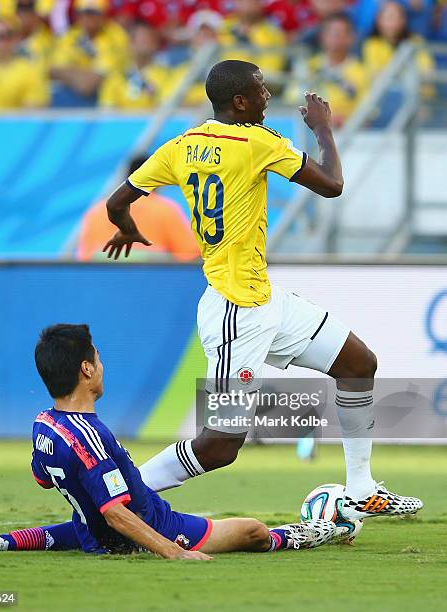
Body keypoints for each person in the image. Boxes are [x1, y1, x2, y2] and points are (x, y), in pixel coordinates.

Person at [102, 59, 423, 522]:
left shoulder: (181, 144)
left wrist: (126, 227)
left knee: (358, 364)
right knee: (219, 444)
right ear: (239, 102)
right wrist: (324, 130)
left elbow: (117, 203)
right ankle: (121, 499)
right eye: (261, 92)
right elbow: (332, 185)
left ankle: (361, 488)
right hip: (237, 311)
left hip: (263, 298)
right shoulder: (257, 141)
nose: (267, 99)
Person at [0, 323, 336, 556]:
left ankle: (5, 542)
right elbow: (117, 514)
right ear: (86, 369)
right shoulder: (89, 436)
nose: (102, 367)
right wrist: (174, 553)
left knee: (79, 524)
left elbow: (43, 478)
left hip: (91, 532)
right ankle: (318, 529)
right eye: (99, 360)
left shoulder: (43, 425)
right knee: (252, 530)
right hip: (154, 528)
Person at [76, 156, 200, 261]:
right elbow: (189, 254)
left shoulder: (96, 211)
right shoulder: (166, 210)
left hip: (101, 283)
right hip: (152, 282)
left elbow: (85, 258)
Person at [49, 0, 128, 102]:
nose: (88, 18)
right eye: (84, 13)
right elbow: (54, 70)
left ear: (103, 15)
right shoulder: (69, 36)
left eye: (93, 13)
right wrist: (81, 76)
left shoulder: (115, 36)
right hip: (70, 97)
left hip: (104, 99)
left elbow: (88, 84)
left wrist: (72, 73)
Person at [303, 13, 368, 127]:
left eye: (341, 34)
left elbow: (368, 115)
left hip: (348, 133)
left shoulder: (363, 73)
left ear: (351, 38)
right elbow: (292, 102)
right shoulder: (309, 67)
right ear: (322, 37)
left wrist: (344, 120)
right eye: (332, 33)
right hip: (308, 132)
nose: (336, 38)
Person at [98, 21, 169, 110]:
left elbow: (165, 109)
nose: (145, 44)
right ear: (130, 44)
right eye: (141, 39)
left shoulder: (166, 76)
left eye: (148, 40)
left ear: (155, 45)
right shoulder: (115, 77)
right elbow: (106, 110)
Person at [362, 1, 434, 81]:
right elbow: (375, 74)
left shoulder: (416, 41)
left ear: (404, 20)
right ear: (378, 21)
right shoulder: (372, 44)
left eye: (397, 17)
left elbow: (427, 70)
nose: (392, 22)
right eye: (388, 17)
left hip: (418, 90)